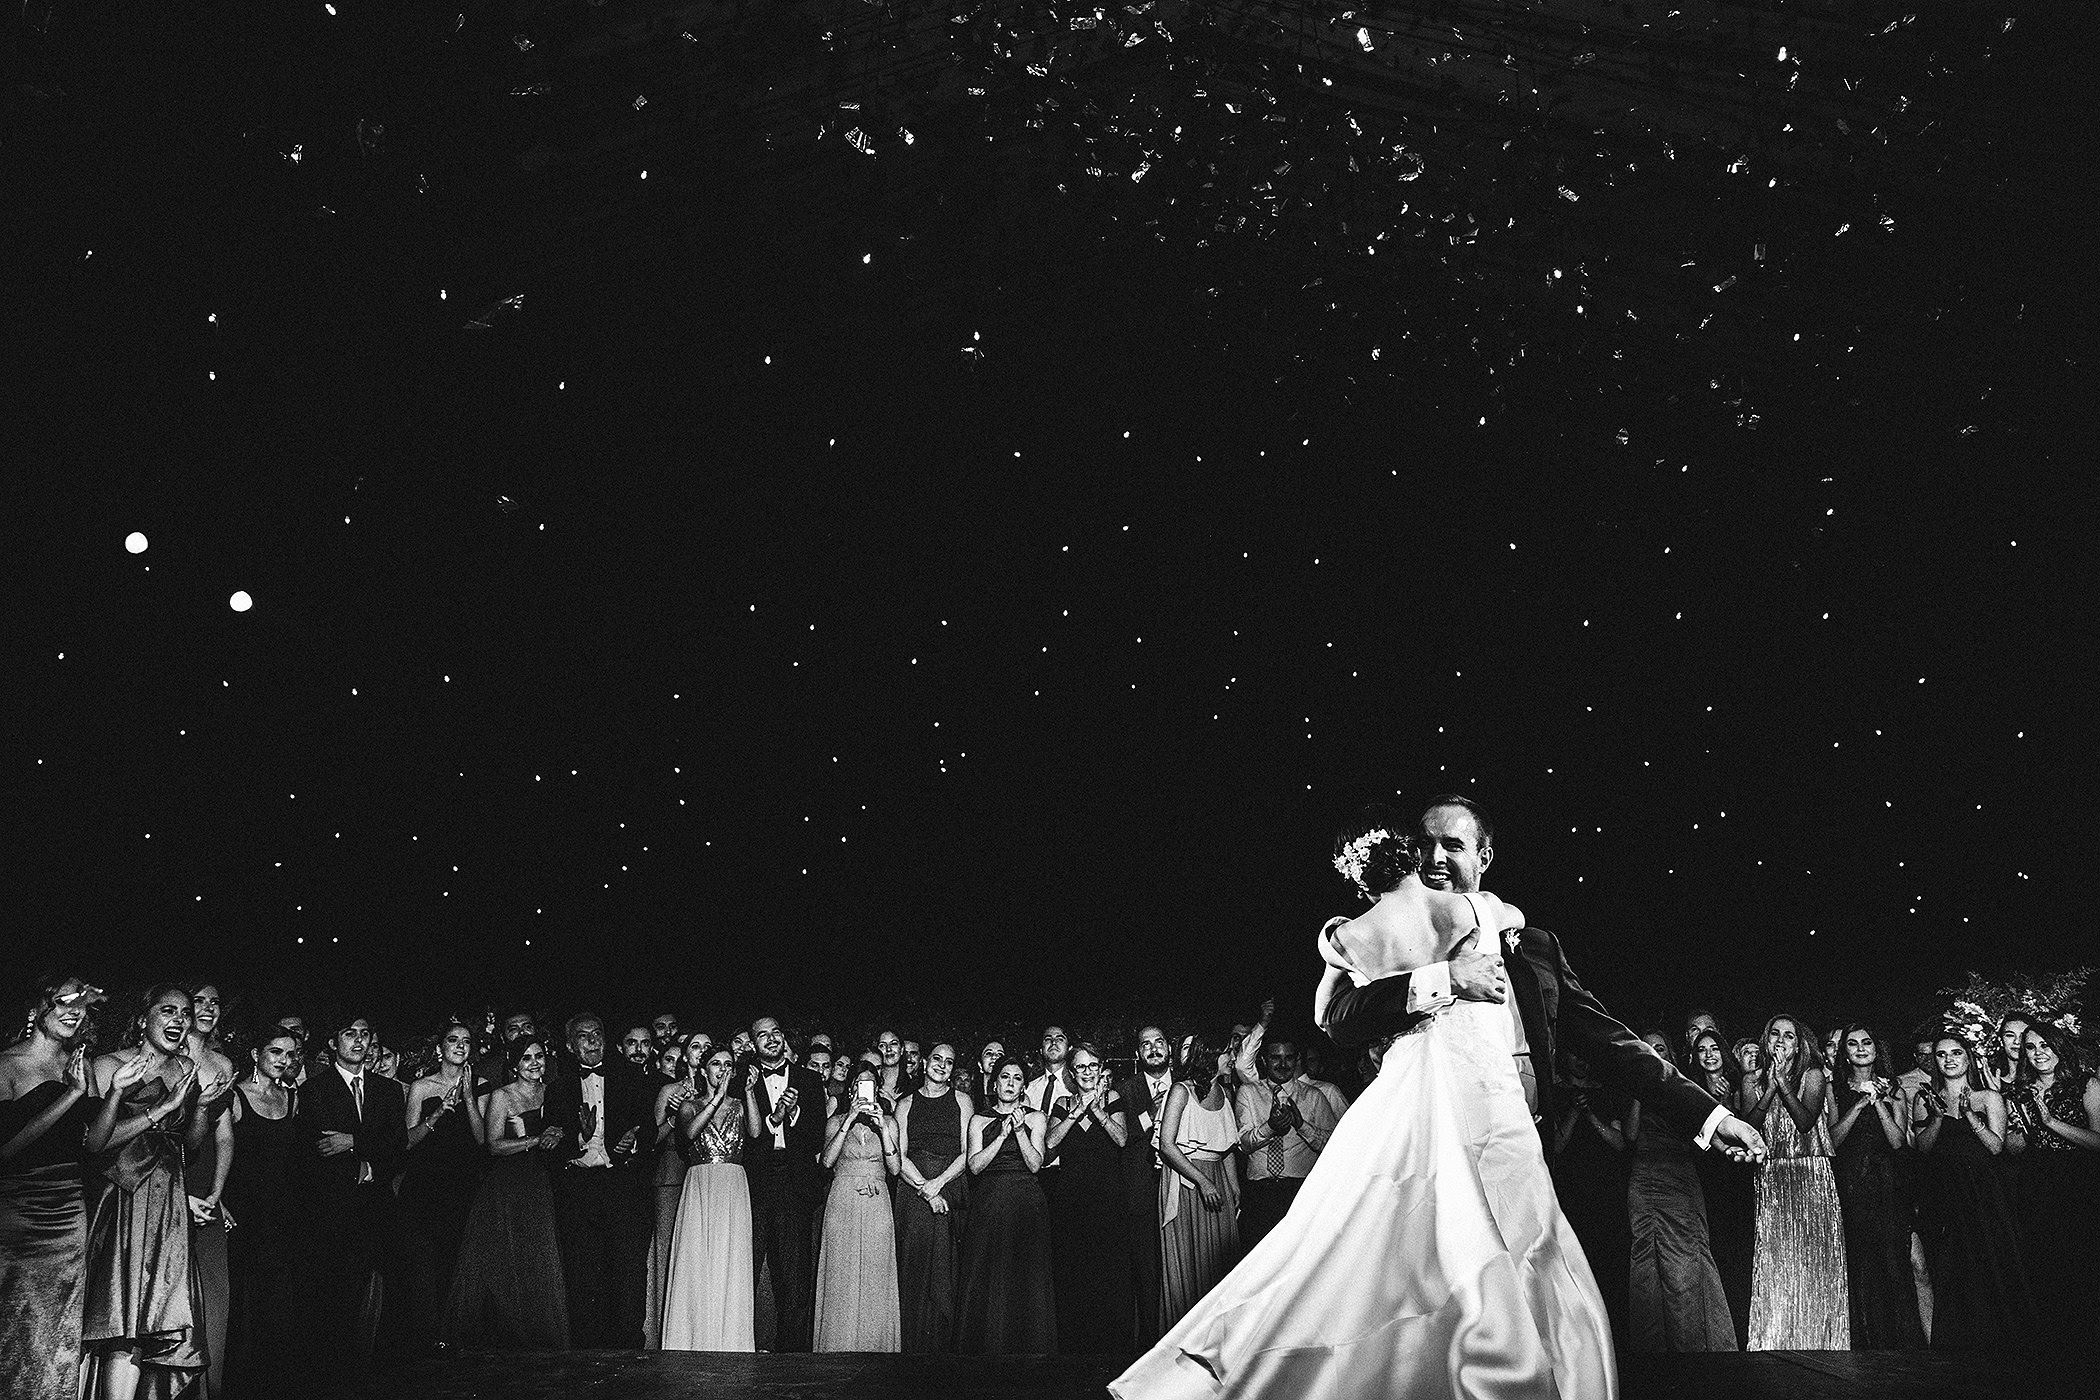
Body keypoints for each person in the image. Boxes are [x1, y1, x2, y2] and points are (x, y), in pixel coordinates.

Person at [1115, 806, 1762, 1400]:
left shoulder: (1530, 947)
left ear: (1484, 855)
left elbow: (1614, 1043)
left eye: (1452, 844)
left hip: (1520, 1150)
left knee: (1536, 1302)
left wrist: (1711, 1114)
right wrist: (1440, 979)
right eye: (1425, 844)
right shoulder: (1411, 944)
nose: (1435, 856)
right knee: (1419, 1298)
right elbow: (1335, 1015)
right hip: (1427, 1144)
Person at [83, 984, 226, 1400]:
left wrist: (201, 1109)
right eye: (168, 1011)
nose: (179, 1020)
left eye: (184, 1013)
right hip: (123, 1196)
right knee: (122, 1318)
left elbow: (192, 1146)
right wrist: (157, 1110)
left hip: (168, 1201)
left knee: (159, 1319)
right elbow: (96, 1142)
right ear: (144, 1018)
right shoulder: (110, 1064)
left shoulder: (187, 1069)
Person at [2, 975, 113, 1400]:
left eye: (81, 1005)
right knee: (15, 1319)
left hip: (69, 1209)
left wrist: (113, 1093)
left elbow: (95, 1144)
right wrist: (70, 1095)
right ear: (36, 1010)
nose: (74, 1012)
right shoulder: (7, 1065)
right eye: (63, 1002)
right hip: (17, 1211)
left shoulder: (79, 1065)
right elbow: (7, 1151)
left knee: (61, 1323)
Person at [443, 1034, 571, 1347]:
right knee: (510, 1259)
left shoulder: (552, 1092)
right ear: (514, 1064)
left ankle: (542, 1339)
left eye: (539, 1056)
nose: (534, 1063)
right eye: (526, 1058)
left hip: (543, 1181)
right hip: (509, 1185)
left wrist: (560, 1130)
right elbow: (493, 1145)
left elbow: (563, 1126)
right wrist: (533, 1141)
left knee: (541, 1258)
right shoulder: (503, 1096)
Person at [299, 1013, 408, 1370]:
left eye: (364, 1034)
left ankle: (379, 1367)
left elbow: (398, 1146)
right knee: (336, 1291)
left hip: (378, 1200)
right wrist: (364, 1150)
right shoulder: (314, 1089)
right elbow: (320, 1148)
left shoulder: (388, 1090)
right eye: (349, 1034)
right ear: (333, 1043)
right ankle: (333, 1369)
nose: (358, 1041)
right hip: (334, 1205)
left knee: (390, 1286)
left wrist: (354, 1141)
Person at [1912, 1033, 2030, 1348]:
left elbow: (1995, 1147)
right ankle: (1954, 1351)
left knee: (1989, 1266)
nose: (1949, 1059)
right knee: (1949, 1271)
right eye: (1941, 1054)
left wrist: (1967, 1116)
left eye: (1956, 1052)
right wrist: (1938, 1118)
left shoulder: (1988, 1097)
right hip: (1944, 1196)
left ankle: (2000, 1346)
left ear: (1968, 1057)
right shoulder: (1925, 1098)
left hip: (1983, 1194)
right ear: (1934, 1060)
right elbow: (1921, 1150)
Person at [545, 1012, 652, 1348]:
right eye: (582, 1035)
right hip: (578, 1190)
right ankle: (589, 1358)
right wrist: (579, 1137)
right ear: (568, 1045)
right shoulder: (558, 1089)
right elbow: (550, 1144)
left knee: (628, 1274)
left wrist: (631, 1143)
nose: (591, 1040)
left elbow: (648, 1127)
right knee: (585, 1277)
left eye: (597, 1034)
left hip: (623, 1187)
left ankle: (631, 1355)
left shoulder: (631, 1080)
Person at [1742, 1013, 1849, 1350]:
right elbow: (1750, 1125)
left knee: (1815, 1262)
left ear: (1799, 1044)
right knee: (1777, 1262)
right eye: (1775, 1034)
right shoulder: (1751, 1080)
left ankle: (1821, 1343)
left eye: (1789, 1036)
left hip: (1811, 1174)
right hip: (1773, 1175)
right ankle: (1775, 1342)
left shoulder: (1813, 1075)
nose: (1781, 1041)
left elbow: (1805, 1121)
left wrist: (1783, 1085)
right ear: (1766, 1040)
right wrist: (1769, 1086)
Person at [1624, 1030, 1736, 1352]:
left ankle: (1696, 1351)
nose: (1653, 1052)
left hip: (1679, 1179)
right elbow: (1630, 1135)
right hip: (1644, 1181)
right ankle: (1653, 1356)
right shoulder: (1635, 1089)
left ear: (1670, 1054)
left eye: (1660, 1048)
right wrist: (1639, 1089)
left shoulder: (1682, 1089)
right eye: (1646, 1048)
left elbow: (1701, 1139)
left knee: (1686, 1267)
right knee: (1645, 1269)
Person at [1828, 1023, 1923, 1348]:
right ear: (1846, 1053)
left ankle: (1904, 1349)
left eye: (1866, 1042)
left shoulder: (1895, 1090)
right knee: (1860, 1266)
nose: (1860, 1048)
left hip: (1887, 1186)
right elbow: (1833, 1141)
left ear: (1875, 1048)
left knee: (1894, 1264)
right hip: (1852, 1185)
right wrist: (1857, 1105)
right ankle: (1867, 1349)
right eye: (1852, 1044)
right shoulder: (1835, 1089)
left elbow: (1899, 1143)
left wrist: (1879, 1102)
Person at [2003, 1020, 2100, 1335]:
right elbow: (2014, 1149)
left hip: (2079, 1183)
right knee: (2043, 1269)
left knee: (2081, 1266)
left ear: (2059, 1047)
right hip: (2036, 1183)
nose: (2037, 1053)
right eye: (2030, 1047)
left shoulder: (2086, 1085)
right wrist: (2017, 1128)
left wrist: (2050, 1122)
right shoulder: (2022, 1091)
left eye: (2044, 1045)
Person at [221, 1029, 303, 1396]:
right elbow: (213, 1152)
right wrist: (217, 1199)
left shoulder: (291, 1097)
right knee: (243, 1304)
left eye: (291, 1053)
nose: (284, 1059)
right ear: (255, 1053)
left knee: (278, 1306)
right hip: (242, 1214)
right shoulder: (235, 1096)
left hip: (282, 1215)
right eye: (275, 1051)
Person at [956, 1056, 1055, 1354]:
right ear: (994, 1083)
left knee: (1025, 1274)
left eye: (1016, 1078)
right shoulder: (979, 1120)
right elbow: (974, 1166)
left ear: (1023, 1086)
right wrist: (1001, 1136)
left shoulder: (1037, 1117)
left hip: (1026, 1203)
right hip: (990, 1203)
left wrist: (1021, 1131)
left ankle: (1029, 1349)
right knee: (988, 1273)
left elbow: (1036, 1164)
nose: (1010, 1083)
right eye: (1005, 1077)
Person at [398, 1021, 486, 1347]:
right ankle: (423, 1340)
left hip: (462, 1185)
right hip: (425, 1185)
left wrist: (467, 1097)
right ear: (440, 1049)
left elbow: (481, 1139)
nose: (460, 1046)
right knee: (423, 1264)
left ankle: (450, 1339)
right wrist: (436, 1116)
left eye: (466, 1041)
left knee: (455, 1260)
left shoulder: (479, 1085)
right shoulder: (421, 1087)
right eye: (453, 1040)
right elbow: (407, 1141)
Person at [662, 1045, 755, 1350]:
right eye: (716, 1064)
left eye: (728, 1064)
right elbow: (688, 1134)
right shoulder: (690, 1105)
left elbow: (755, 1133)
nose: (723, 1069)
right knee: (697, 1257)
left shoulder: (741, 1105)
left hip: (732, 1184)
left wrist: (749, 1093)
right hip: (701, 1182)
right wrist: (716, 1099)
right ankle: (692, 1338)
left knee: (731, 1257)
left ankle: (729, 1340)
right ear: (704, 1071)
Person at [1233, 1013, 1350, 1252]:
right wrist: (1270, 1127)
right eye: (1275, 1058)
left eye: (1288, 1058)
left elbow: (1334, 1147)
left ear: (1297, 1060)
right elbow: (1243, 1143)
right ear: (1264, 1061)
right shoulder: (1248, 1093)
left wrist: (1301, 1125)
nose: (1282, 1064)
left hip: (1302, 1192)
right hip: (1260, 1193)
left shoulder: (1314, 1096)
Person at [1045, 1041, 1135, 1352]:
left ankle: (1109, 1349)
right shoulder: (1061, 1102)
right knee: (1074, 1275)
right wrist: (1074, 1114)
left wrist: (1097, 1110)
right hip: (1071, 1201)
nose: (1086, 1072)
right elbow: (1049, 1146)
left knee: (1107, 1276)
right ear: (1071, 1071)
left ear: (1100, 1070)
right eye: (1080, 1067)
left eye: (1092, 1066)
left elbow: (1122, 1140)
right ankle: (1075, 1351)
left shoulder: (1113, 1099)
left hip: (1107, 1202)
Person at [743, 1015, 827, 1351]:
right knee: (748, 1268)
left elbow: (818, 1136)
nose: (771, 1039)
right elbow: (746, 1139)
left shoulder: (808, 1080)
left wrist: (792, 1115)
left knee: (794, 1274)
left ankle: (791, 1355)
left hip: (795, 1184)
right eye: (762, 1035)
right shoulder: (742, 1081)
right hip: (756, 1184)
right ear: (753, 1045)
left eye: (776, 1032)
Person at [1154, 1032, 1241, 1331]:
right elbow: (1167, 1145)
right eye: (1228, 1052)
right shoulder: (1181, 1091)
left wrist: (1233, 1188)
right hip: (1188, 1181)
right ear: (1209, 1056)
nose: (1233, 1059)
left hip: (1216, 1181)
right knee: (1190, 1265)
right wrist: (1204, 1182)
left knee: (1219, 1264)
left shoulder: (1225, 1094)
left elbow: (1226, 1147)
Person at [813, 1064, 903, 1351]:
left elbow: (896, 1167)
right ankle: (837, 1347)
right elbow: (826, 1162)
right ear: (851, 1090)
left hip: (877, 1201)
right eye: (859, 1085)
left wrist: (882, 1127)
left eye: (871, 1085)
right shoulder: (835, 1121)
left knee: (877, 1274)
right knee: (841, 1274)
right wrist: (848, 1120)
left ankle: (874, 1347)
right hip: (842, 1200)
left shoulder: (889, 1122)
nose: (864, 1090)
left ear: (877, 1090)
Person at [894, 1042, 972, 1352]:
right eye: (937, 1059)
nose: (942, 1065)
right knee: (913, 1263)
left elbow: (968, 1153)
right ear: (925, 1063)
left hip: (950, 1183)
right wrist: (925, 1189)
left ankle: (941, 1349)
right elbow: (898, 1157)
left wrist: (938, 1183)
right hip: (913, 1188)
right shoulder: (905, 1104)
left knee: (944, 1268)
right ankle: (911, 1348)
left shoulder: (962, 1101)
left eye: (949, 1062)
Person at [181, 983, 237, 1394]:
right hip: (167, 1180)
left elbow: (224, 1136)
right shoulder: (165, 1057)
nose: (207, 1008)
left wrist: (218, 1193)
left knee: (216, 1295)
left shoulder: (221, 1062)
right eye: (198, 1001)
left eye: (214, 1003)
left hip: (208, 1186)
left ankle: (208, 1389)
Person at [1686, 1026, 1753, 1346]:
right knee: (1713, 1249)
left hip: (1737, 1176)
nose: (1709, 1054)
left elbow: (1748, 1125)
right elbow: (1695, 1139)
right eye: (1702, 1050)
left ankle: (1741, 1324)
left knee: (1738, 1247)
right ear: (1695, 1057)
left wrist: (1728, 1101)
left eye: (1714, 1048)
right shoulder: (1691, 1088)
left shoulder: (1738, 1084)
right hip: (1705, 1174)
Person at [1116, 1024, 1174, 1348]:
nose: (1153, 1048)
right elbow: (1123, 1138)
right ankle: (1150, 1341)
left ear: (1169, 1047)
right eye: (1146, 1044)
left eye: (1159, 1042)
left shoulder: (1186, 1085)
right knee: (1147, 1266)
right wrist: (1151, 1114)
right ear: (1138, 1053)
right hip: (1140, 1190)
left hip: (1180, 1183)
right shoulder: (1126, 1089)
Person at [643, 1031, 701, 1347]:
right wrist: (673, 1114)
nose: (700, 1052)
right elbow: (653, 1138)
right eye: (695, 1047)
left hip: (705, 1177)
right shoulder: (668, 1089)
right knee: (669, 1254)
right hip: (672, 1175)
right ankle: (670, 1333)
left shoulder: (718, 1089)